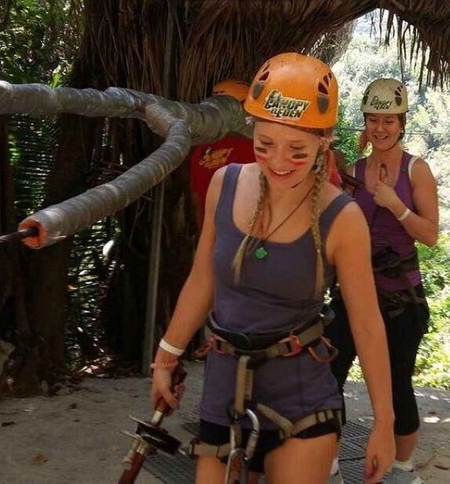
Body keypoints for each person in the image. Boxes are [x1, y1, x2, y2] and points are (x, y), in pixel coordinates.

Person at [151, 53, 396, 484]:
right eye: (264, 145)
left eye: (296, 151)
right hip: (225, 388)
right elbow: (203, 279)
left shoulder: (343, 219)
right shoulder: (225, 184)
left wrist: (384, 422)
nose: (278, 161)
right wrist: (166, 357)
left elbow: (366, 323)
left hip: (301, 396)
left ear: (323, 141)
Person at [325, 78, 439, 484]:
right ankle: (329, 460)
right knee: (328, 374)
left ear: (402, 123)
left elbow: (430, 234)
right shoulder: (354, 172)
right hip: (354, 289)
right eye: (373, 119)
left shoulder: (416, 170)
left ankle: (402, 468)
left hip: (400, 296)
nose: (380, 128)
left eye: (389, 120)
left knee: (395, 383)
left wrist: (395, 205)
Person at [189, 79, 257, 228]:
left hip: (217, 234)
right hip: (251, 232)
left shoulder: (200, 150)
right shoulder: (257, 143)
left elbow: (197, 202)